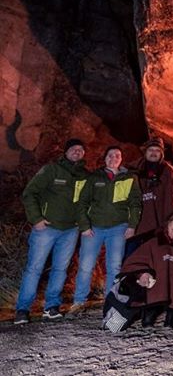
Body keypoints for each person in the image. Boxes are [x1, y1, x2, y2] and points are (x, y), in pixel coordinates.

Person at [14, 139, 90, 324]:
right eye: (73, 149)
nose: (77, 152)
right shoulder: (52, 170)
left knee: (60, 269)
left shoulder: (85, 176)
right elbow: (29, 193)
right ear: (66, 152)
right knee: (34, 269)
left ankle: (51, 307)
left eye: (81, 150)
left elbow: (85, 202)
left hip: (70, 230)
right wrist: (36, 219)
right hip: (46, 229)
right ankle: (23, 309)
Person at [72, 146, 142, 314]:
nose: (114, 158)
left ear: (121, 158)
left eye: (117, 155)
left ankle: (111, 301)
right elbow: (82, 202)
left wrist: (132, 225)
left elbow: (135, 203)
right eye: (110, 155)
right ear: (105, 158)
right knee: (86, 266)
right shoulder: (94, 177)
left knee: (114, 266)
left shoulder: (130, 178)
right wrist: (84, 226)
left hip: (118, 227)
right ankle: (79, 301)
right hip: (93, 228)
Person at [118, 211, 173, 327]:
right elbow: (136, 260)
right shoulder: (153, 242)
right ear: (168, 223)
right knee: (141, 318)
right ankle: (147, 313)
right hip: (154, 287)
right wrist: (143, 273)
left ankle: (171, 315)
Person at [129, 138, 173, 257]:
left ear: (162, 154)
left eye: (157, 150)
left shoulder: (171, 172)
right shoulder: (132, 169)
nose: (154, 153)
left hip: (161, 225)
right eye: (151, 150)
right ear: (145, 152)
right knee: (134, 258)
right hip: (138, 226)